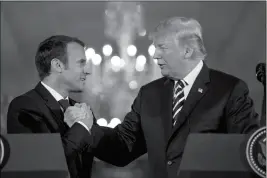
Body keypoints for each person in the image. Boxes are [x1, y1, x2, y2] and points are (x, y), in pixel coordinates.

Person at [69, 17, 260, 178]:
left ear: (187, 50)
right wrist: (86, 128)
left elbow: (249, 153)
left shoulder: (229, 90)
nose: (155, 55)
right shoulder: (149, 94)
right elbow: (122, 148)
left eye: (162, 48)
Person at [7, 35, 94, 178]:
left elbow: (113, 151)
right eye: (81, 63)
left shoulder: (81, 109)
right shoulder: (23, 107)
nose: (88, 70)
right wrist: (81, 128)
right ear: (58, 65)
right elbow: (41, 166)